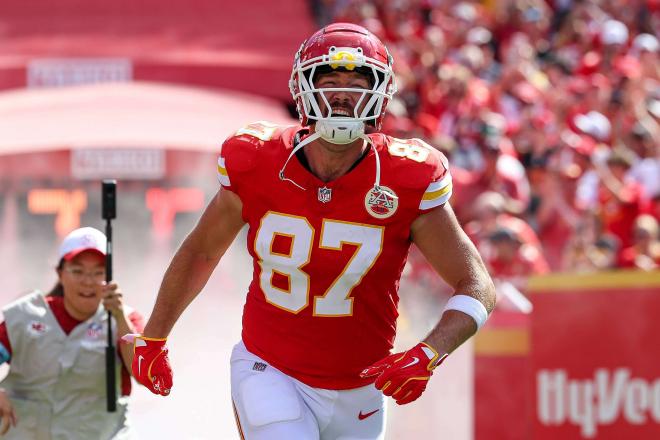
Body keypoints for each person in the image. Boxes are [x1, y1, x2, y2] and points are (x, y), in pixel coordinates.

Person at [127, 23, 496, 440]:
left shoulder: (406, 176)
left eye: (357, 82)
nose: (341, 93)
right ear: (303, 88)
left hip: (361, 389)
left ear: (379, 94)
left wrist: (430, 352)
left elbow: (476, 283)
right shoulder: (258, 159)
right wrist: (154, 336)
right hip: (271, 370)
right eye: (330, 80)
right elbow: (201, 253)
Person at [0, 227, 144, 439]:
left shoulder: (127, 322)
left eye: (98, 273)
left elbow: (145, 375)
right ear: (60, 273)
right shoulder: (24, 317)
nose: (88, 281)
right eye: (78, 271)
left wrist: (119, 318)